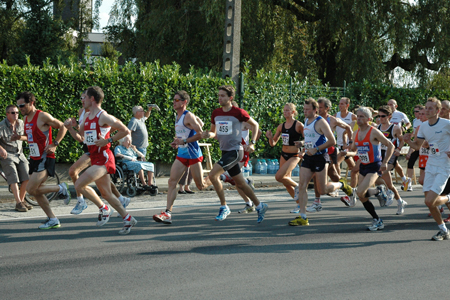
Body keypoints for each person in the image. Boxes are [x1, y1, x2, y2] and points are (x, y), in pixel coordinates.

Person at [69, 86, 137, 235]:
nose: (83, 100)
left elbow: (125, 130)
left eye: (85, 97)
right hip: (94, 157)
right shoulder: (86, 116)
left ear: (92, 99)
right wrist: (71, 128)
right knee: (106, 194)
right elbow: (81, 138)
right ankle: (128, 218)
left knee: (79, 184)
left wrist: (108, 140)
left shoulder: (103, 116)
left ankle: (104, 209)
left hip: (104, 158)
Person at [201, 85, 268, 223]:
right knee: (241, 184)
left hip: (236, 151)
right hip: (225, 151)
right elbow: (215, 133)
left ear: (230, 98)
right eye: (219, 95)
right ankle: (260, 206)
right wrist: (208, 134)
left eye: (223, 96)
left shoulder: (239, 112)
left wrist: (253, 143)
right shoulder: (216, 113)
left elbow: (255, 125)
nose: (220, 98)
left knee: (213, 175)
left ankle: (224, 206)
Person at [288, 98, 353, 226]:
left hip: (321, 157)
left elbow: (332, 141)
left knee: (322, 189)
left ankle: (341, 184)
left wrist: (316, 149)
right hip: (308, 157)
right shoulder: (306, 120)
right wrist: (302, 143)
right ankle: (303, 217)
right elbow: (310, 138)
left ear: (315, 110)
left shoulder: (321, 122)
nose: (305, 112)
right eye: (304, 109)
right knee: (302, 185)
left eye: (307, 109)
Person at [153, 90, 212, 224]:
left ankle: (217, 176)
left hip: (192, 154)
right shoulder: (177, 116)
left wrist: (184, 141)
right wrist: (177, 141)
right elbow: (183, 135)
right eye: (173, 100)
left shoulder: (188, 116)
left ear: (184, 102)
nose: (174, 102)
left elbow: (200, 134)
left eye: (177, 100)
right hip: (181, 154)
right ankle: (167, 213)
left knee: (201, 185)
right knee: (171, 182)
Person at [13, 92, 70, 229]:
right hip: (34, 158)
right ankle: (53, 219)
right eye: (18, 106)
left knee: (31, 189)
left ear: (31, 103)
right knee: (36, 191)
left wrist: (55, 144)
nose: (20, 108)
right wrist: (19, 137)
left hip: (45, 157)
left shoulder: (42, 116)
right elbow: (30, 137)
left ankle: (60, 187)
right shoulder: (26, 119)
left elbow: (63, 126)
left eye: (22, 105)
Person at [404, 97, 450, 241]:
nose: (427, 110)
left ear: (438, 111)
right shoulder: (423, 126)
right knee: (429, 202)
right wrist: (407, 141)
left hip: (444, 165)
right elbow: (417, 146)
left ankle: (449, 197)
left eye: (431, 108)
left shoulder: (447, 124)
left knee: (430, 201)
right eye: (426, 107)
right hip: (431, 165)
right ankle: (443, 230)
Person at [347, 107, 394, 231]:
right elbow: (353, 148)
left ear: (369, 119)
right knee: (362, 196)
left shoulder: (373, 132)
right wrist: (345, 152)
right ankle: (377, 219)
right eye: (358, 116)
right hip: (363, 165)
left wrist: (385, 162)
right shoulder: (355, 133)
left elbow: (390, 145)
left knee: (359, 192)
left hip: (375, 166)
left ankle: (379, 191)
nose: (359, 118)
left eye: (362, 116)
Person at [307, 97, 354, 212]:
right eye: (317, 107)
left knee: (334, 176)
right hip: (317, 152)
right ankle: (317, 201)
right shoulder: (314, 119)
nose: (318, 109)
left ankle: (350, 191)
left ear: (327, 108)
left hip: (329, 152)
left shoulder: (332, 120)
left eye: (321, 107)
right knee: (315, 176)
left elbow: (348, 127)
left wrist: (350, 142)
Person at [266, 103, 303, 202]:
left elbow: (308, 139)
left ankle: (297, 186)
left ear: (293, 112)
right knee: (286, 183)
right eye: (284, 110)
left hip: (294, 155)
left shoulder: (299, 125)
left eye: (287, 110)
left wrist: (302, 143)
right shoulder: (281, 126)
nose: (285, 112)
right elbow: (273, 143)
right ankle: (300, 204)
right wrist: (270, 138)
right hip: (284, 154)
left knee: (279, 177)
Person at [376, 105, 407, 215]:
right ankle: (400, 201)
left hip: (391, 154)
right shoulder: (377, 127)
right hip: (381, 154)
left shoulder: (395, 128)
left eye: (383, 116)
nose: (381, 118)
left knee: (381, 171)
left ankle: (388, 192)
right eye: (379, 116)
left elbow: (402, 141)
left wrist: (399, 149)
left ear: (389, 116)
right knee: (389, 184)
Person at [0, 105, 31, 212]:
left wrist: (19, 137)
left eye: (17, 112)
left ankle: (21, 201)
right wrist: (1, 149)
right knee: (13, 177)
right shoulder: (1, 126)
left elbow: (28, 136)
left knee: (27, 177)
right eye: (13, 113)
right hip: (7, 154)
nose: (16, 115)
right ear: (7, 114)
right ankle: (18, 202)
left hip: (19, 153)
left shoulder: (21, 123)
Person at [128, 105, 157, 189]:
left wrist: (149, 110)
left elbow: (146, 116)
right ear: (137, 113)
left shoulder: (140, 119)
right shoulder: (133, 121)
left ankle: (148, 184)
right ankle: (141, 184)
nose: (143, 112)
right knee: (140, 166)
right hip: (138, 148)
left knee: (145, 165)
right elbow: (129, 131)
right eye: (142, 111)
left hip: (143, 147)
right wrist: (129, 143)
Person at [387, 99, 411, 189]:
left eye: (391, 104)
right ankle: (405, 180)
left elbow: (409, 124)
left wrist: (404, 129)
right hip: (386, 141)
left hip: (396, 141)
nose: (389, 106)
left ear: (396, 106)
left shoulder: (400, 114)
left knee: (389, 163)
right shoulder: (385, 115)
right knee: (395, 163)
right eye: (388, 104)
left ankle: (388, 187)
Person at [335, 97, 357, 178]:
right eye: (339, 103)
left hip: (348, 145)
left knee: (336, 163)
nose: (339, 105)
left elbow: (359, 126)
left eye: (342, 104)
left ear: (347, 105)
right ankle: (359, 180)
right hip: (339, 144)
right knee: (352, 167)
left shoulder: (352, 116)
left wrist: (352, 141)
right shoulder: (336, 116)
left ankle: (339, 183)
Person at [404, 105, 424, 191]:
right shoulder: (415, 121)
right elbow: (415, 135)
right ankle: (409, 184)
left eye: (417, 112)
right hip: (417, 144)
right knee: (410, 162)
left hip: (425, 147)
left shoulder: (426, 121)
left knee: (423, 167)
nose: (416, 113)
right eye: (414, 112)